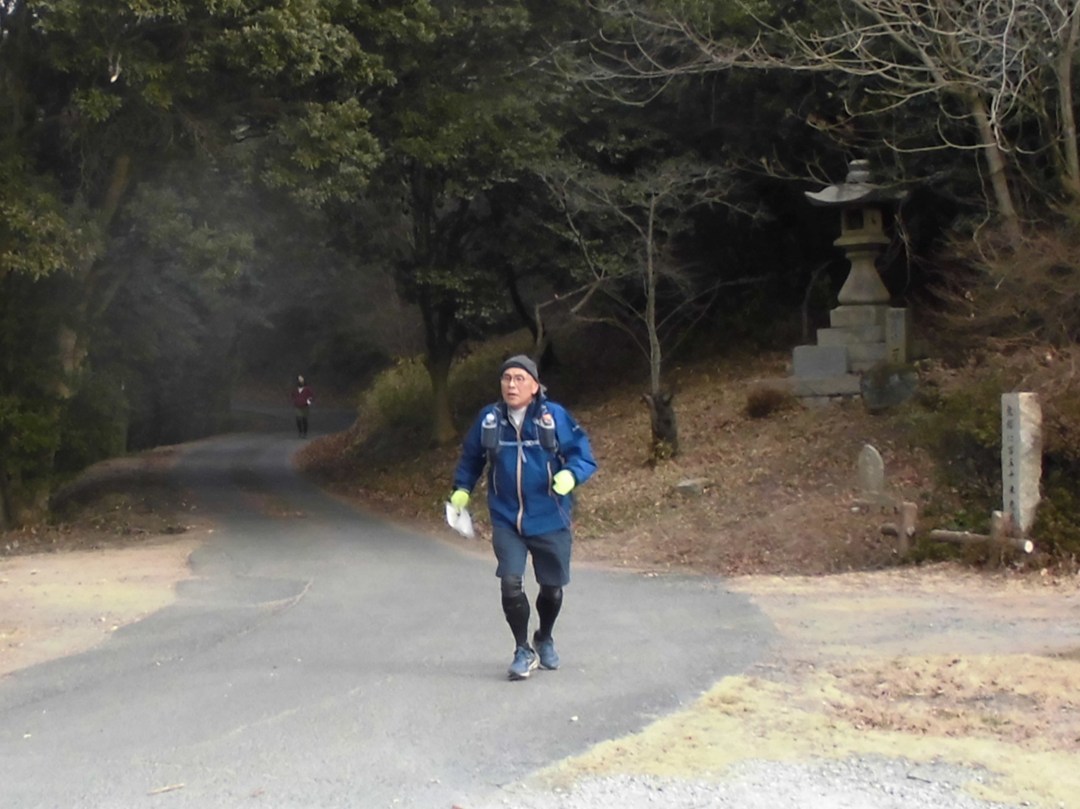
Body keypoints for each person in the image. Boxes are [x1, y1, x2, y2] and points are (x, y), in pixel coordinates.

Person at [450, 355, 597, 681]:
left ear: (534, 385)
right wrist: (461, 489)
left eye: (519, 378)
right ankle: (522, 650)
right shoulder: (489, 419)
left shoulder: (553, 416)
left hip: (550, 515)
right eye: (506, 378)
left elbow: (583, 456)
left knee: (552, 588)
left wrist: (571, 475)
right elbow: (471, 458)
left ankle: (544, 637)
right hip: (506, 517)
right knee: (510, 582)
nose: (512, 385)